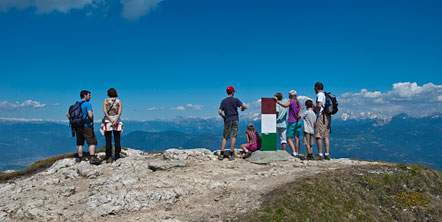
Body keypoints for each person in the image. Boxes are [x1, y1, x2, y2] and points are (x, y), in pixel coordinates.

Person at [66, 90, 101, 165]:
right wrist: (91, 120)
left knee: (80, 143)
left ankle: (81, 158)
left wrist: (75, 121)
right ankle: (92, 157)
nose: (90, 97)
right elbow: (90, 115)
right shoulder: (87, 104)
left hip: (77, 126)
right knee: (92, 142)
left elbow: (68, 115)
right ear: (85, 96)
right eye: (89, 95)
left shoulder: (75, 105)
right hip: (86, 126)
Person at [218, 86, 248, 161]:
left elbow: (219, 111)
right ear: (232, 92)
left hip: (227, 119)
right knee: (233, 136)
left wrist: (223, 117)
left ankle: (222, 153)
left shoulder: (223, 101)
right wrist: (242, 109)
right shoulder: (236, 100)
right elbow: (245, 106)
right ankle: (231, 153)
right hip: (235, 119)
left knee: (225, 137)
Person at [275, 90, 303, 158]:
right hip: (299, 121)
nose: (288, 96)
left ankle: (294, 153)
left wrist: (277, 102)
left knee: (289, 138)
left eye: (289, 94)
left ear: (291, 95)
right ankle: (297, 152)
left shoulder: (291, 101)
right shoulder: (298, 102)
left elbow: (285, 106)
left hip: (292, 121)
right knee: (296, 137)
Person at [100, 88, 124, 164]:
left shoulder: (106, 101)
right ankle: (117, 155)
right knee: (117, 139)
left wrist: (110, 120)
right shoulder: (118, 101)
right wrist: (115, 120)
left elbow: (105, 112)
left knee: (108, 140)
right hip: (117, 121)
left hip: (108, 121)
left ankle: (109, 156)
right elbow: (119, 112)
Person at [313, 82, 331, 160]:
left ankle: (320, 154)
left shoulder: (319, 95)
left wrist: (314, 108)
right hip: (327, 116)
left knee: (318, 135)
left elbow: (319, 105)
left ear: (316, 88)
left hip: (321, 116)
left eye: (315, 88)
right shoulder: (325, 94)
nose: (314, 89)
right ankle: (327, 154)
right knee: (326, 136)